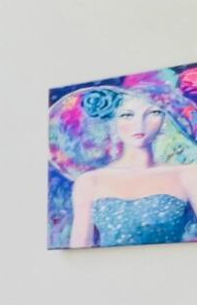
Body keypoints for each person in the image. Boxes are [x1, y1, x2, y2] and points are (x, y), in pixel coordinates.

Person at [68, 90, 197, 248]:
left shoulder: (188, 175)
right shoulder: (89, 181)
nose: (139, 124)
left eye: (153, 113)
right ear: (113, 122)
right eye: (127, 115)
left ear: (166, 119)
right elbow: (80, 248)